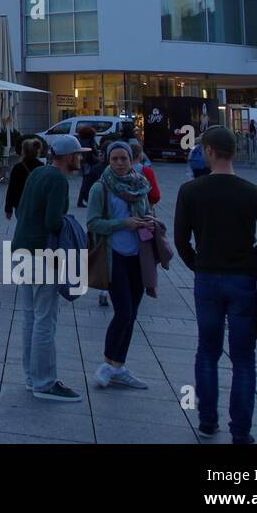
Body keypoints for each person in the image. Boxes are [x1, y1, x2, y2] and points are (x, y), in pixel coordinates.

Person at [174, 125, 257, 444]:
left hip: (207, 278)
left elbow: (181, 240)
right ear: (234, 152)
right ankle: (241, 431)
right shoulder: (252, 192)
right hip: (242, 279)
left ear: (209, 151)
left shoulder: (191, 191)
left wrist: (198, 265)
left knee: (207, 351)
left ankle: (207, 421)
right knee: (243, 358)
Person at [13, 133, 85, 401]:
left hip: (21, 249)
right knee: (45, 317)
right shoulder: (57, 179)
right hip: (43, 253)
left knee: (30, 316)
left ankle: (32, 377)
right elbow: (54, 221)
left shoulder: (38, 173)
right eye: (78, 155)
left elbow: (22, 210)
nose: (80, 159)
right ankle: (44, 382)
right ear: (67, 157)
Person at [87, 141, 155, 390]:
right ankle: (107, 363)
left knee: (133, 314)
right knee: (123, 312)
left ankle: (118, 366)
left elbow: (149, 210)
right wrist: (122, 223)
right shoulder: (100, 188)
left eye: (123, 158)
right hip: (112, 256)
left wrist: (148, 221)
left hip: (138, 256)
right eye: (114, 158)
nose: (119, 163)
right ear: (107, 160)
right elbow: (93, 223)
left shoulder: (140, 185)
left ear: (131, 159)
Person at [3, 137, 43, 221]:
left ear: (23, 151)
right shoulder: (41, 167)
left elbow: (11, 189)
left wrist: (8, 209)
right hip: (38, 204)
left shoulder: (18, 168)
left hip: (21, 203)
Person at [75, 124, 97, 206]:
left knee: (85, 181)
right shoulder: (90, 140)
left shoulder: (80, 140)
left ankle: (81, 200)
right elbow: (93, 150)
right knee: (87, 182)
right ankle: (84, 199)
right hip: (89, 162)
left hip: (83, 162)